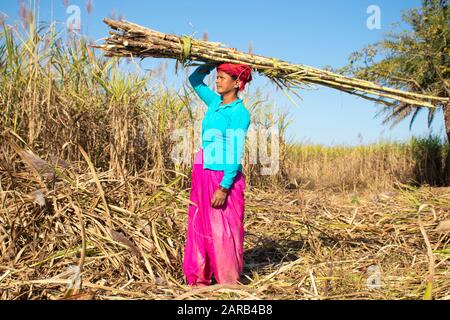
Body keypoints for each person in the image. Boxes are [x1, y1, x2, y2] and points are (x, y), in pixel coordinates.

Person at [182, 62, 252, 286]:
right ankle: (200, 278)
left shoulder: (239, 113)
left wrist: (224, 186)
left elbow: (235, 150)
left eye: (222, 77)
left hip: (223, 175)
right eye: (218, 76)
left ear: (237, 83)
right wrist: (211, 61)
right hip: (202, 170)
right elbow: (194, 80)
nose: (217, 80)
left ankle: (227, 281)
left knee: (224, 230)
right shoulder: (214, 103)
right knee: (200, 225)